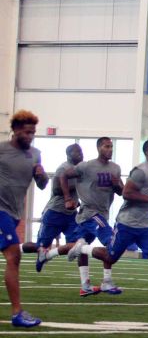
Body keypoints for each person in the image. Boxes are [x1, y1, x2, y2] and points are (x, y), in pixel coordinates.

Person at [70, 139, 148, 313]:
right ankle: (83, 249)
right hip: (127, 223)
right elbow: (126, 193)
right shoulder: (140, 171)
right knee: (110, 258)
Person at [0, 110, 49, 327]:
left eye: (33, 133)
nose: (30, 136)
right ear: (16, 130)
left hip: (14, 213)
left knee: (13, 257)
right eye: (27, 132)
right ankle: (17, 313)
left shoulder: (35, 154)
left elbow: (42, 184)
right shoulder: (1, 150)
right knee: (14, 256)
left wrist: (41, 175)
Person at [61, 137, 124, 297]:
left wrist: (117, 185)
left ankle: (85, 285)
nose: (110, 149)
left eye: (111, 146)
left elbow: (122, 192)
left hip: (103, 213)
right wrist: (68, 198)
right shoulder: (86, 166)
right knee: (111, 243)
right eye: (106, 146)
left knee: (82, 248)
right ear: (98, 148)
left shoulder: (115, 168)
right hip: (90, 213)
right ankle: (107, 281)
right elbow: (63, 175)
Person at [27, 144, 83, 277]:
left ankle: (50, 255)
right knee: (41, 245)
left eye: (81, 152)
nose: (81, 154)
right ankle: (20, 248)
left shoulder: (81, 169)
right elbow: (56, 189)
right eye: (77, 152)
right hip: (55, 212)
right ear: (69, 154)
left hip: (71, 214)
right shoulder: (63, 168)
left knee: (76, 244)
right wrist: (74, 189)